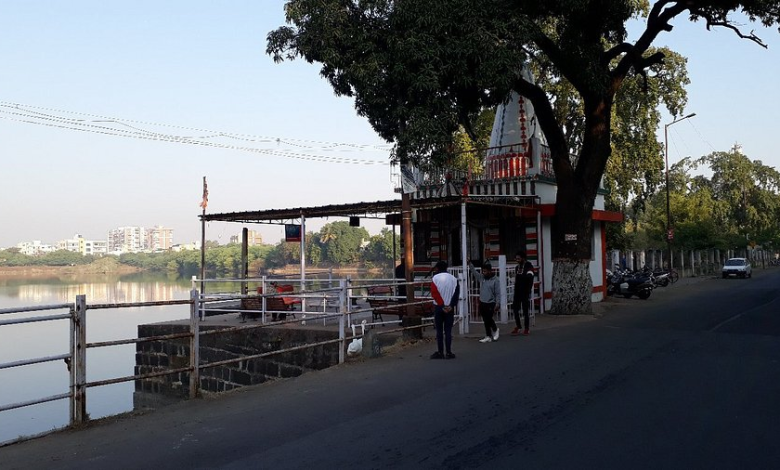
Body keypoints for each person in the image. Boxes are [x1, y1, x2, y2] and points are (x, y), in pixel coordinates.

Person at [430, 260, 459, 359]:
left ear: (437, 268)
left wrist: (442, 305)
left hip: (439, 307)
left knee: (439, 331)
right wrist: (451, 305)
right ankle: (449, 352)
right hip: (449, 307)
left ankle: (440, 351)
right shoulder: (454, 279)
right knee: (448, 331)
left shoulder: (435, 278)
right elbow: (456, 294)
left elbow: (434, 293)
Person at [469, 260, 501, 343]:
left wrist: (498, 303)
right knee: (485, 319)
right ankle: (488, 336)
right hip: (482, 302)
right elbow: (474, 272)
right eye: (483, 271)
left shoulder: (495, 280)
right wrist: (470, 264)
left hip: (491, 302)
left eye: (485, 271)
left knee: (488, 318)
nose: (483, 273)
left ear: (490, 271)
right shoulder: (482, 278)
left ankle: (495, 329)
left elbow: (498, 293)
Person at [512, 250, 535, 336]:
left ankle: (526, 328)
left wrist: (528, 289)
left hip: (525, 292)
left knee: (525, 311)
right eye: (516, 258)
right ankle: (518, 326)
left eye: (518, 258)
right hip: (517, 292)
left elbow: (530, 277)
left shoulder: (529, 266)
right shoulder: (517, 267)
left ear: (523, 258)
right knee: (515, 309)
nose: (517, 260)